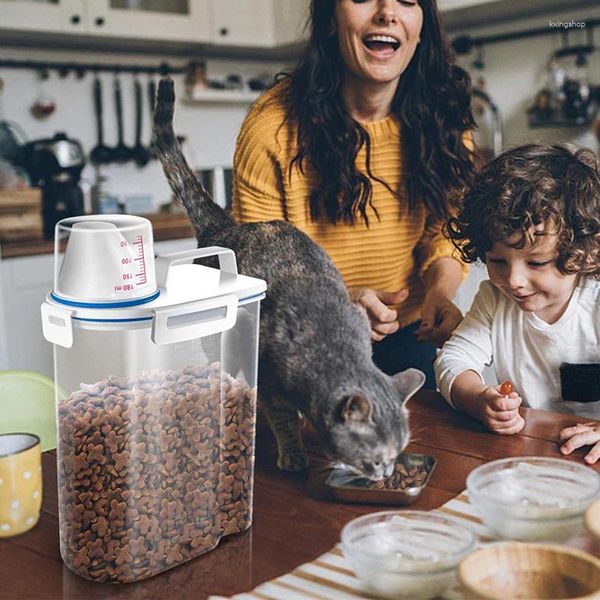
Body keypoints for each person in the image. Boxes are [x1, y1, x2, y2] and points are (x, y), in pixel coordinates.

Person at [232, 0, 475, 387]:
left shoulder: (443, 116)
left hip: (411, 334)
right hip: (307, 342)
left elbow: (445, 229)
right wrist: (338, 306)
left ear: (421, 27)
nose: (387, 13)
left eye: (408, 1)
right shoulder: (273, 126)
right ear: (330, 19)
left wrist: (439, 293)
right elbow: (257, 268)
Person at [434, 144, 600, 463]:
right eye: (497, 261)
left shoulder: (594, 303)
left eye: (536, 263)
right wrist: (478, 399)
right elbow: (453, 360)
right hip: (531, 453)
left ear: (586, 252)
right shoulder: (494, 300)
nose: (513, 281)